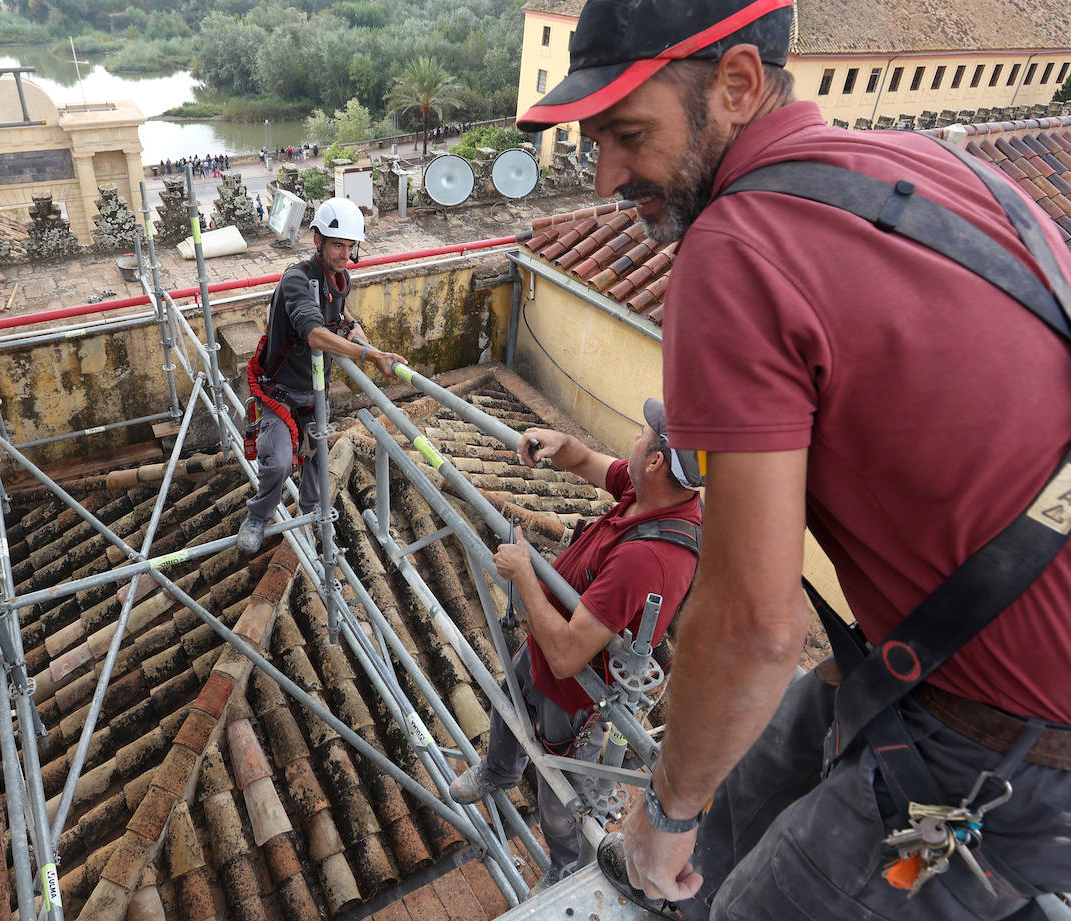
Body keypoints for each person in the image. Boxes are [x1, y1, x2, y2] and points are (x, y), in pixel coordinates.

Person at [516, 1, 1071, 919]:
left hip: (1007, 743)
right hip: (942, 668)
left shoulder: (737, 245)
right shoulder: (925, 169)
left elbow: (753, 626)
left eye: (627, 133)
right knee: (762, 760)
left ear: (736, 84)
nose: (606, 172)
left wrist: (661, 813)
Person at [448, 401, 703, 892]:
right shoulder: (654, 492)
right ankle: (499, 770)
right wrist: (562, 445)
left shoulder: (647, 558)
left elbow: (567, 658)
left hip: (578, 697)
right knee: (510, 702)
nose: (633, 438)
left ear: (655, 461)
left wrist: (524, 574)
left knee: (561, 799)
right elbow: (590, 462)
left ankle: (565, 871)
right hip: (544, 646)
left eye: (640, 433)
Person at [237, 197, 406, 553]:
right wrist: (370, 354)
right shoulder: (296, 280)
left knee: (318, 455)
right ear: (318, 241)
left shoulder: (342, 277)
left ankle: (313, 513)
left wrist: (352, 323)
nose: (344, 254)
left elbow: (338, 303)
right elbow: (313, 333)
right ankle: (259, 514)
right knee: (279, 461)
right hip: (280, 389)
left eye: (349, 246)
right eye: (337, 245)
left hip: (315, 389)